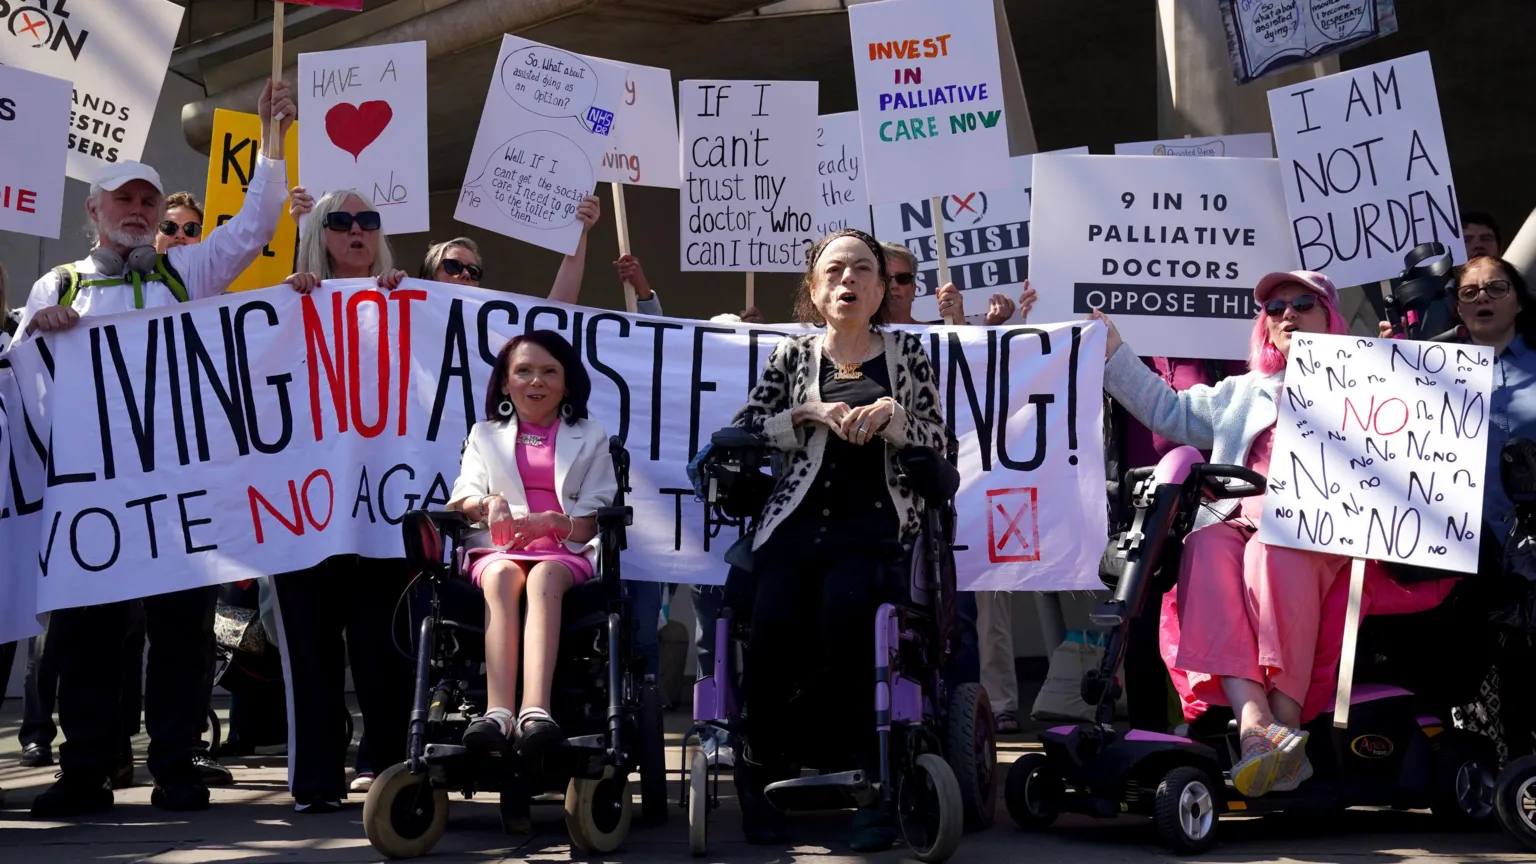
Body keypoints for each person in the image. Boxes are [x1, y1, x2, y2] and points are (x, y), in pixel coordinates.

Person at [22, 79, 296, 819]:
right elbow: (25, 377)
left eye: (147, 201)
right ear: (95, 212)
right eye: (124, 202)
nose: (139, 211)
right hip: (95, 498)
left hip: (180, 490)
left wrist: (272, 139)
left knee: (180, 636)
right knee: (88, 639)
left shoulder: (190, 270)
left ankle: (177, 766)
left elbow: (252, 226)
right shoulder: (63, 281)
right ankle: (86, 769)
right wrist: (39, 325)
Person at [1097, 271, 1456, 797]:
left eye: (1302, 304)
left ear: (1329, 315)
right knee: (1203, 544)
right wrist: (1114, 352)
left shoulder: (1372, 379)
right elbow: (1167, 411)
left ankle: (1284, 724)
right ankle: (1255, 725)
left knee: (1273, 547)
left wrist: (1397, 368)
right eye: (1274, 308)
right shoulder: (1242, 392)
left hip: (1325, 535)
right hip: (1238, 521)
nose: (1286, 313)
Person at [728, 229, 947, 850]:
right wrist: (805, 416)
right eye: (834, 272)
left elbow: (942, 445)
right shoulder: (795, 358)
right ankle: (762, 769)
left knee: (847, 610)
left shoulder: (907, 357)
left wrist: (896, 420)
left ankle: (869, 781)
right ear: (815, 290)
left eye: (861, 271)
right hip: (795, 524)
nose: (847, 281)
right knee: (769, 623)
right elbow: (742, 431)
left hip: (874, 525)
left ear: (881, 289)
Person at [268, 189, 413, 813]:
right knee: (310, 649)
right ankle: (317, 779)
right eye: (341, 221)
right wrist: (283, 303)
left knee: (385, 652)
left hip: (380, 516)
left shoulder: (409, 303)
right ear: (317, 234)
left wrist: (414, 305)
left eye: (369, 221)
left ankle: (387, 769)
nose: (357, 231)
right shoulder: (285, 304)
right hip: (304, 515)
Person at [883, 241, 1031, 730]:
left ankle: (969, 716)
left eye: (903, 279)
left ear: (915, 285)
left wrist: (962, 326)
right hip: (890, 499)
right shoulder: (852, 343)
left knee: (964, 607)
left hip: (960, 484)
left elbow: (975, 380)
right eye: (885, 278)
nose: (893, 289)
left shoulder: (940, 336)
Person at [449, 330, 618, 756]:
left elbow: (596, 518)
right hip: (499, 549)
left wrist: (554, 522)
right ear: (506, 383)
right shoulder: (484, 434)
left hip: (563, 550)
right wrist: (490, 502)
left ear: (566, 383)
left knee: (543, 577)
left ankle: (535, 711)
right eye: (523, 371)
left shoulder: (591, 435)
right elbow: (463, 494)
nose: (536, 381)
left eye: (549, 371)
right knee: (504, 575)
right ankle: (498, 712)